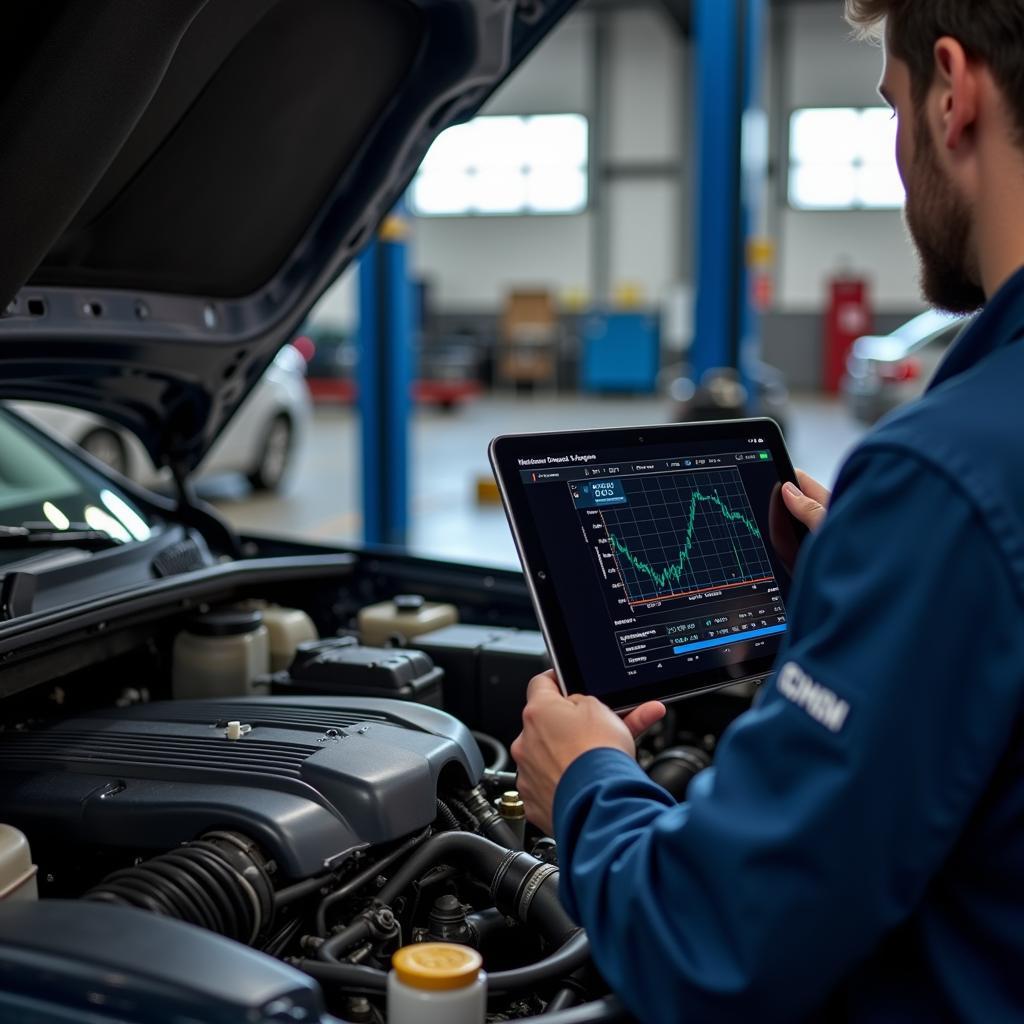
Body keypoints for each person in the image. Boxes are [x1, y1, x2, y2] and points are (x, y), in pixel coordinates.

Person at [510, 2, 1024, 1020]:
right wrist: (896, 584)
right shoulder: (949, 502)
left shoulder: (946, 477)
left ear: (952, 92)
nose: (896, 150)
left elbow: (704, 942)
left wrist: (588, 779)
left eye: (890, 103)